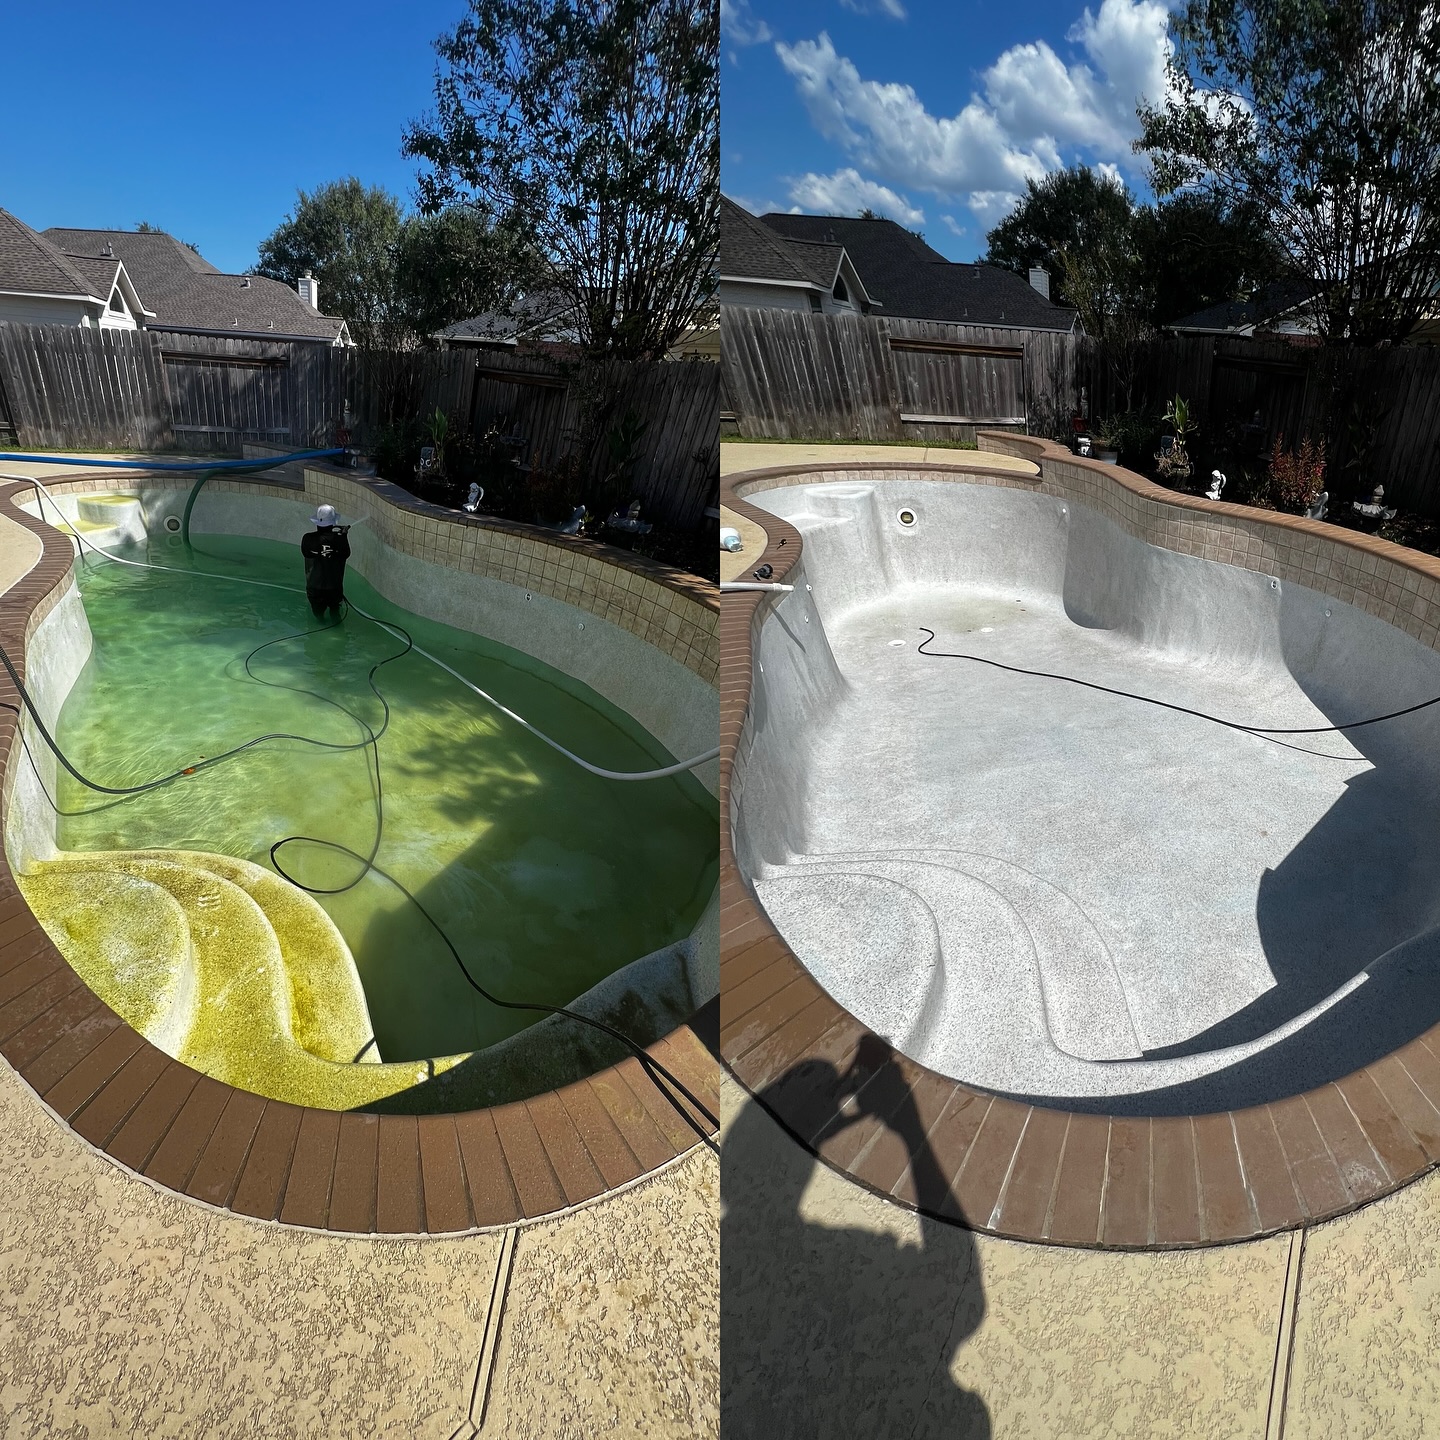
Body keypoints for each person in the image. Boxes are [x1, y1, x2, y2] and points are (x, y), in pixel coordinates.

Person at [301, 504, 351, 620]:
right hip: (334, 587)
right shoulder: (339, 539)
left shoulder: (307, 538)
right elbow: (346, 554)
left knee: (318, 616)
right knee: (335, 614)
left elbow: (306, 553)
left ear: (317, 522)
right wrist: (343, 536)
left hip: (314, 587)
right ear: (333, 523)